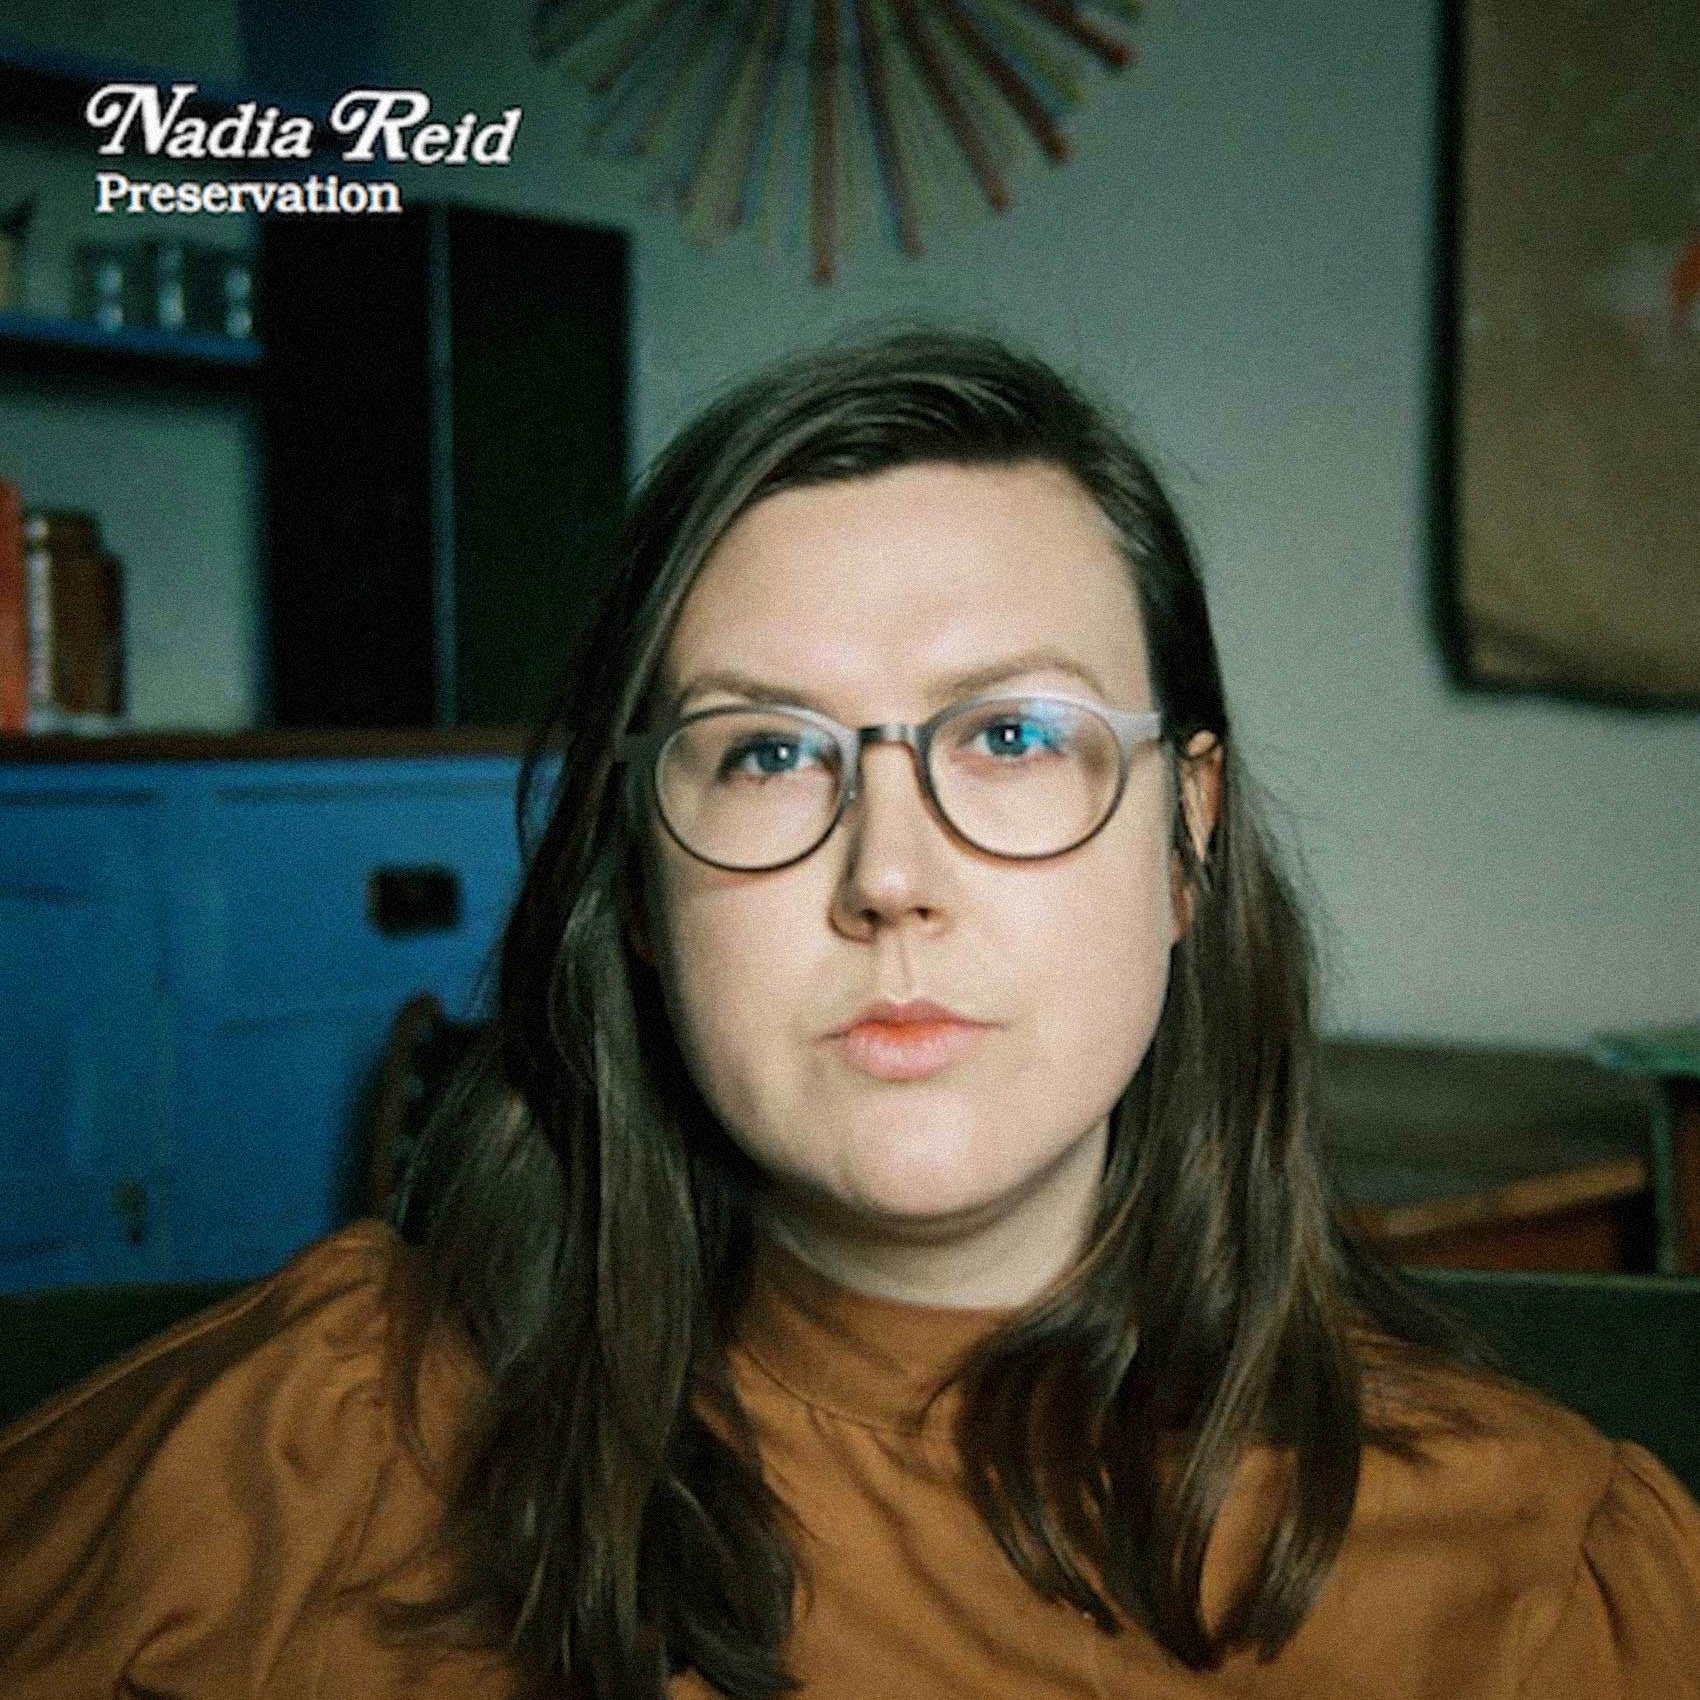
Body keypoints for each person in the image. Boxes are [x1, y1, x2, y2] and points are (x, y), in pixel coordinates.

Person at [2, 331, 1697, 1700]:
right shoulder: (320, 1439)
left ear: (1185, 837)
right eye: (765, 752)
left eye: (1012, 736)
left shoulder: (1546, 1583)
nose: (889, 875)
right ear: (641, 887)